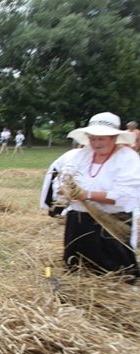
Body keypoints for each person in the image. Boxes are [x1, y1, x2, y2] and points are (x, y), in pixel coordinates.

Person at [54, 112, 140, 278]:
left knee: (115, 271)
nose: (96, 143)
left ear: (114, 138)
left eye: (101, 138)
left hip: (112, 223)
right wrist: (64, 189)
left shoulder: (128, 159)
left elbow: (123, 195)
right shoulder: (82, 155)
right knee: (77, 268)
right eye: (93, 138)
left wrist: (86, 194)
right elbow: (64, 178)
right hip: (79, 220)